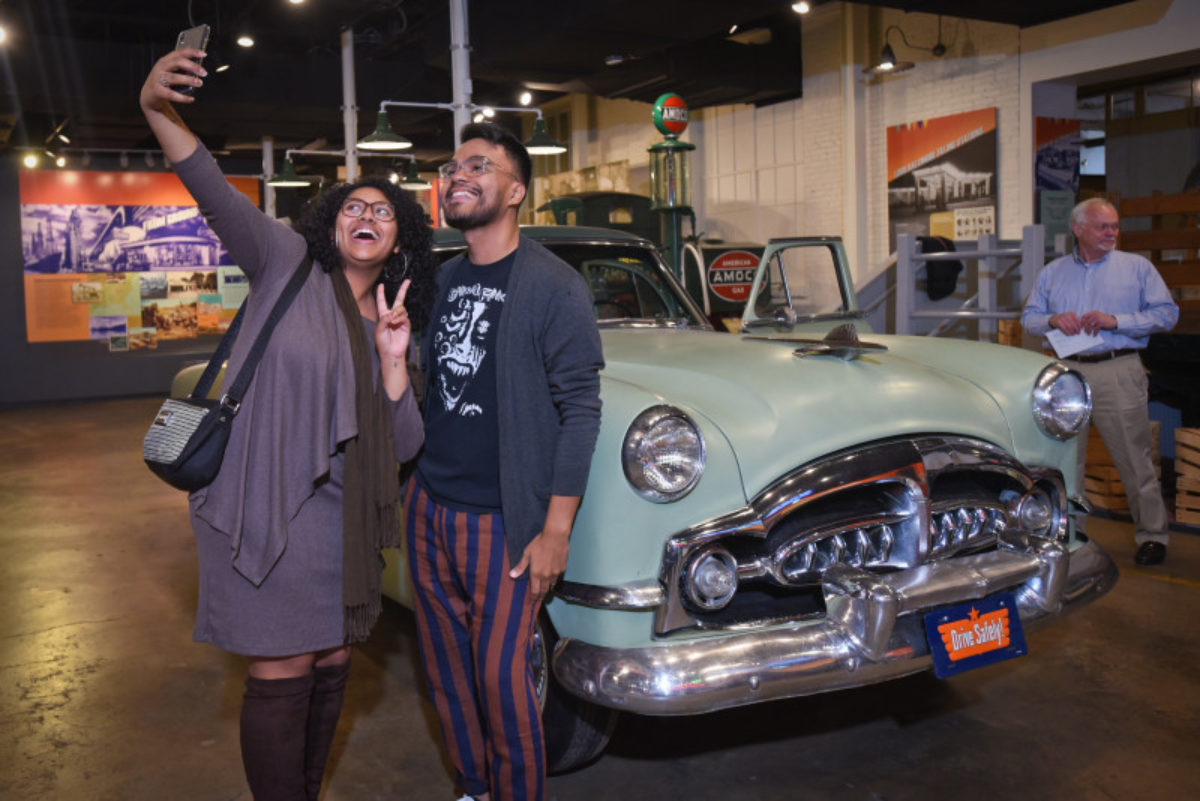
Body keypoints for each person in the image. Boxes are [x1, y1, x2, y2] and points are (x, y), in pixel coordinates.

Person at [140, 47, 436, 799]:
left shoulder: (396, 322)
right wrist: (156, 108)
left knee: (335, 663)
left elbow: (402, 449)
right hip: (270, 503)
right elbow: (208, 187)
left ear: (400, 238)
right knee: (283, 669)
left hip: (345, 524)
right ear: (330, 224)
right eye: (352, 207)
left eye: (383, 212)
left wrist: (396, 365)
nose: (366, 216)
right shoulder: (286, 261)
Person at [404, 122, 604, 801]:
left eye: (479, 166)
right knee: (446, 670)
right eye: (453, 166)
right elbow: (424, 386)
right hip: (429, 508)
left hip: (503, 523)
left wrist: (556, 530)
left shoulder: (553, 284)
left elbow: (581, 408)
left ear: (516, 191)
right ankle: (472, 788)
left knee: (501, 679)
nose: (458, 175)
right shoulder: (444, 277)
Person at [1022, 197, 1179, 565]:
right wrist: (1053, 320)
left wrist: (1116, 320)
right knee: (1064, 461)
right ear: (1078, 229)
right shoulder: (1053, 272)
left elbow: (1167, 314)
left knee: (1134, 458)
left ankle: (1153, 536)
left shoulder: (1137, 268)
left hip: (1117, 370)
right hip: (1066, 375)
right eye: (1102, 226)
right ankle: (1070, 533)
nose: (1112, 233)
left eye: (1115, 226)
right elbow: (1029, 317)